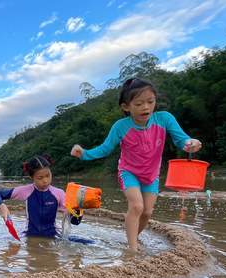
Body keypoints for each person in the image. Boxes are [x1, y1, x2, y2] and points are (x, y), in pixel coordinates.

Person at [71, 78, 202, 251]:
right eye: (139, 103)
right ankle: (132, 251)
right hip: (128, 172)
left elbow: (181, 139)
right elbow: (105, 148)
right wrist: (85, 154)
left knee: (147, 212)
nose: (146, 107)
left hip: (151, 175)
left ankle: (131, 240)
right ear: (126, 107)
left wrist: (190, 143)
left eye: (150, 102)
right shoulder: (121, 126)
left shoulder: (164, 119)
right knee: (137, 206)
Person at [0, 155, 69, 238]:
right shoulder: (26, 191)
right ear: (31, 177)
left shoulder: (59, 193)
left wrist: (78, 211)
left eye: (48, 175)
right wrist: (1, 205)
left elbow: (74, 220)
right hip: (30, 237)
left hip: (52, 236)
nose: (45, 180)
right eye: (40, 178)